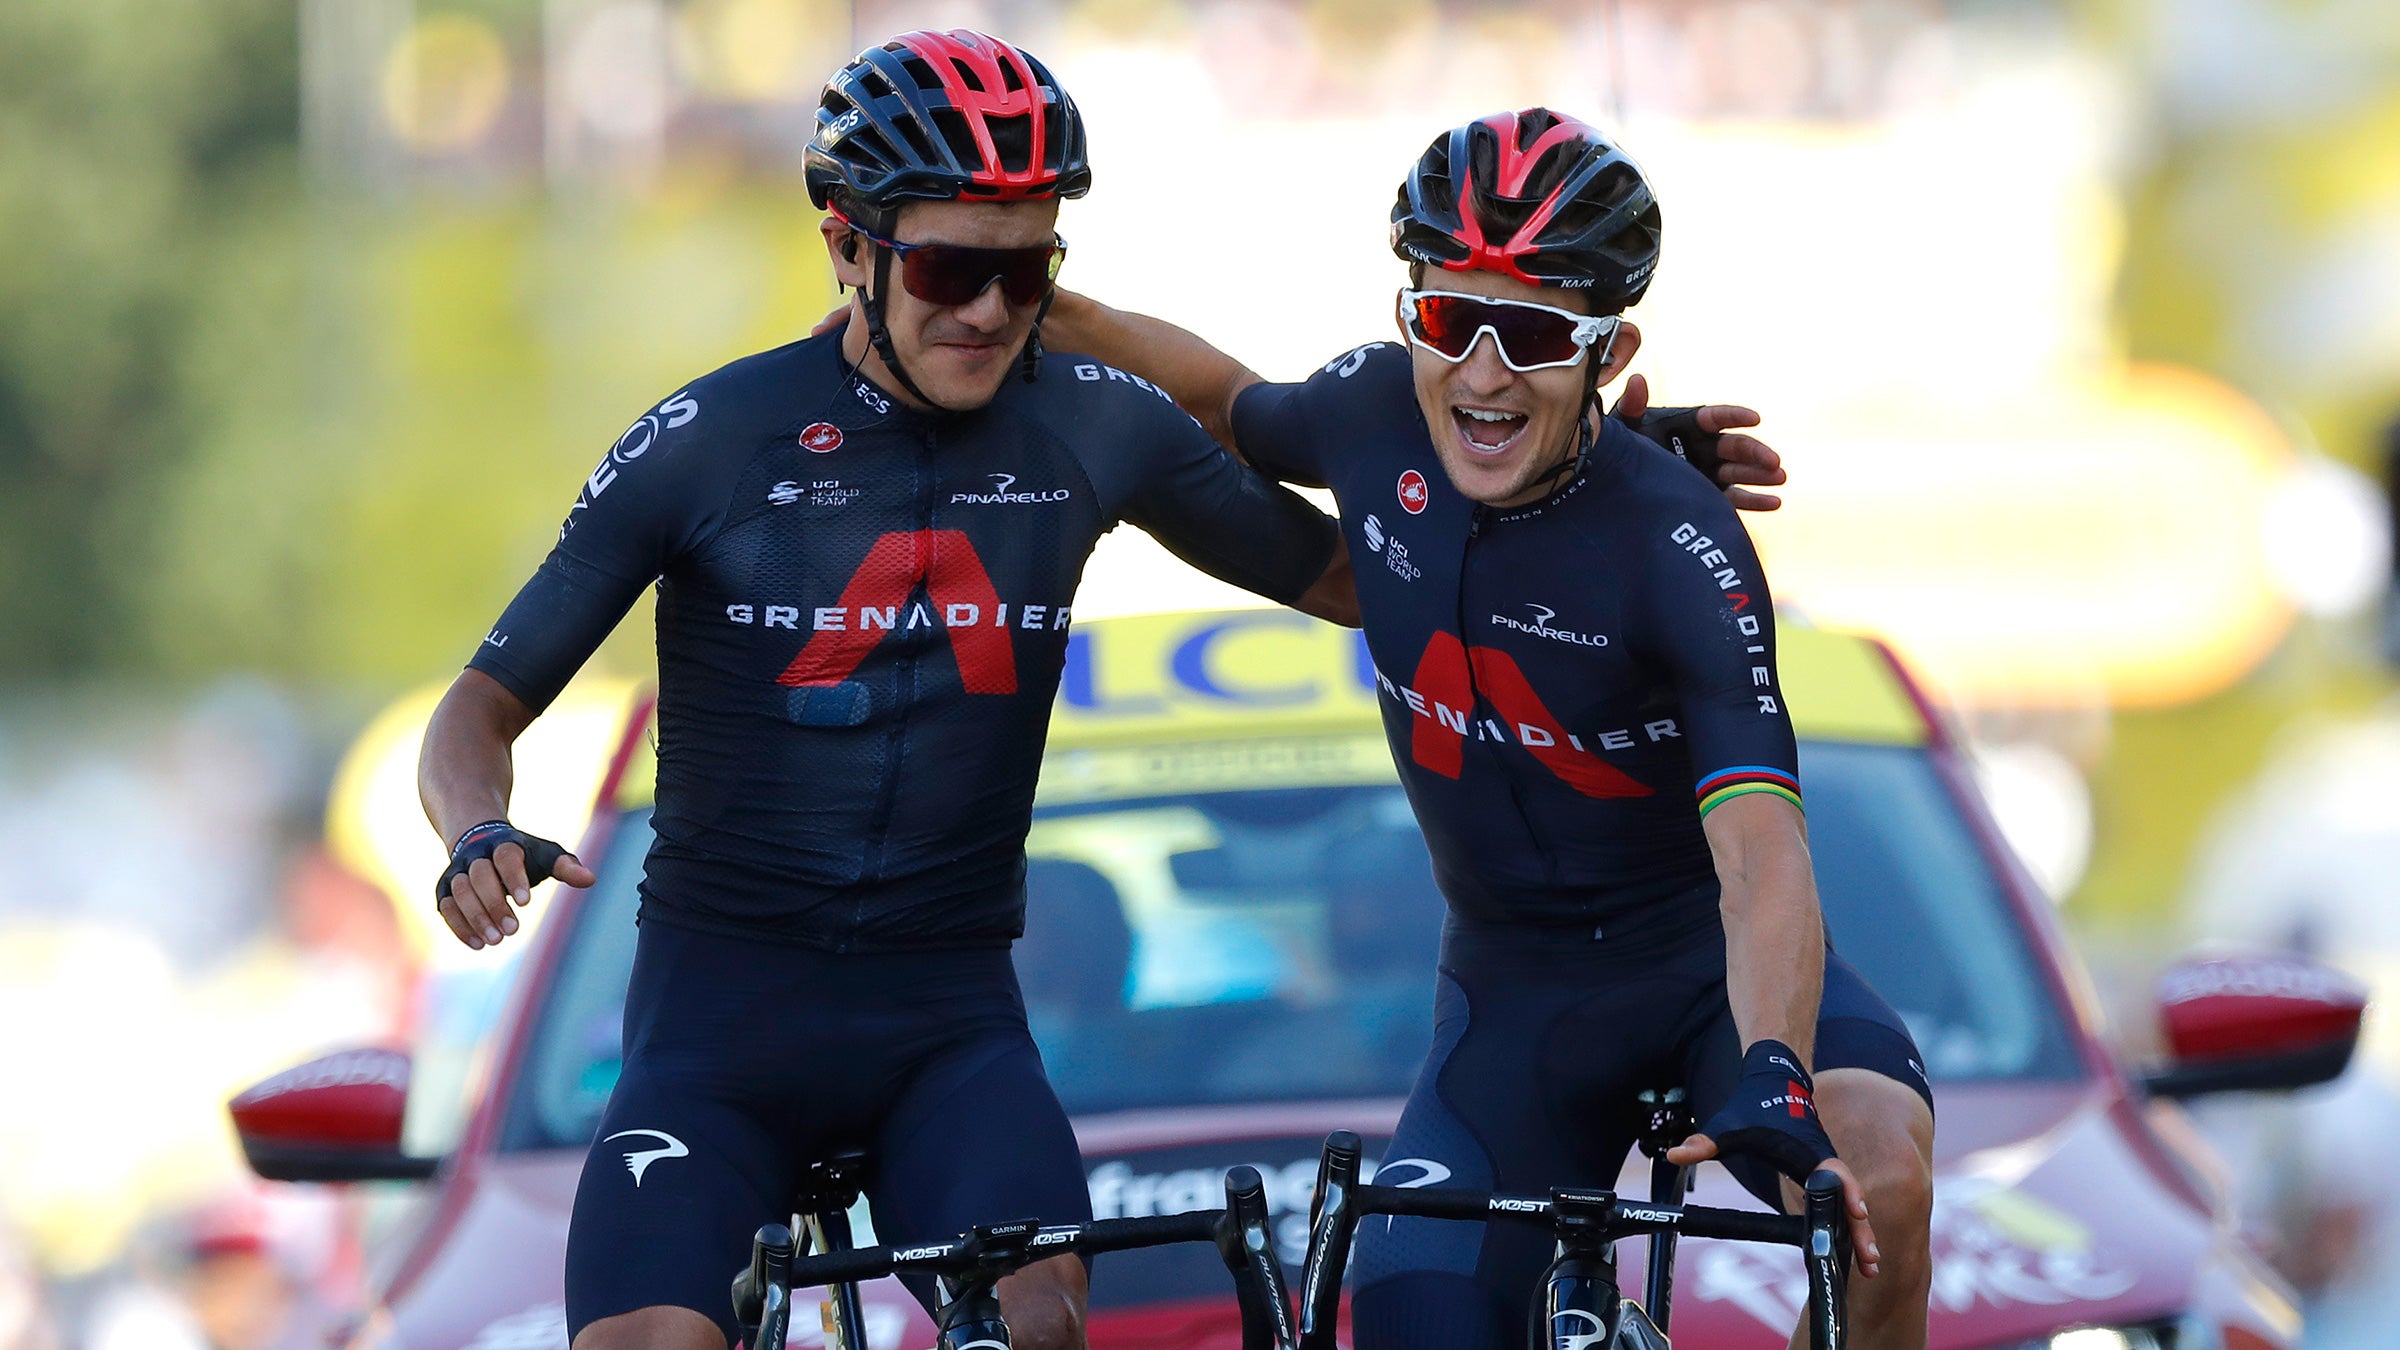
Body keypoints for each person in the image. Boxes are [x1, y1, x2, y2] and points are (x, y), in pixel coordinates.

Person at [414, 30, 1361, 1350]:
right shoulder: (713, 438)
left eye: (1028, 273)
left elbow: (1361, 577)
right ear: (846, 247)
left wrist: (1583, 479)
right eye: (949, 270)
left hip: (946, 1030)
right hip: (717, 1037)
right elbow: (479, 705)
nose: (988, 313)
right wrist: (474, 826)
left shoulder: (1095, 420)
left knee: (1034, 1329)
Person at [1038, 109, 1935, 1350]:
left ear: (1612, 350)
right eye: (1452, 320)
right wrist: (1024, 297)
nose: (1484, 373)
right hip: (1516, 994)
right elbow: (1225, 398)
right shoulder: (1370, 413)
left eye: (1538, 336)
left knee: (1875, 1192)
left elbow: (1760, 852)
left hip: (1705, 973)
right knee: (1412, 1308)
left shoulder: (1681, 541)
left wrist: (1776, 1062)